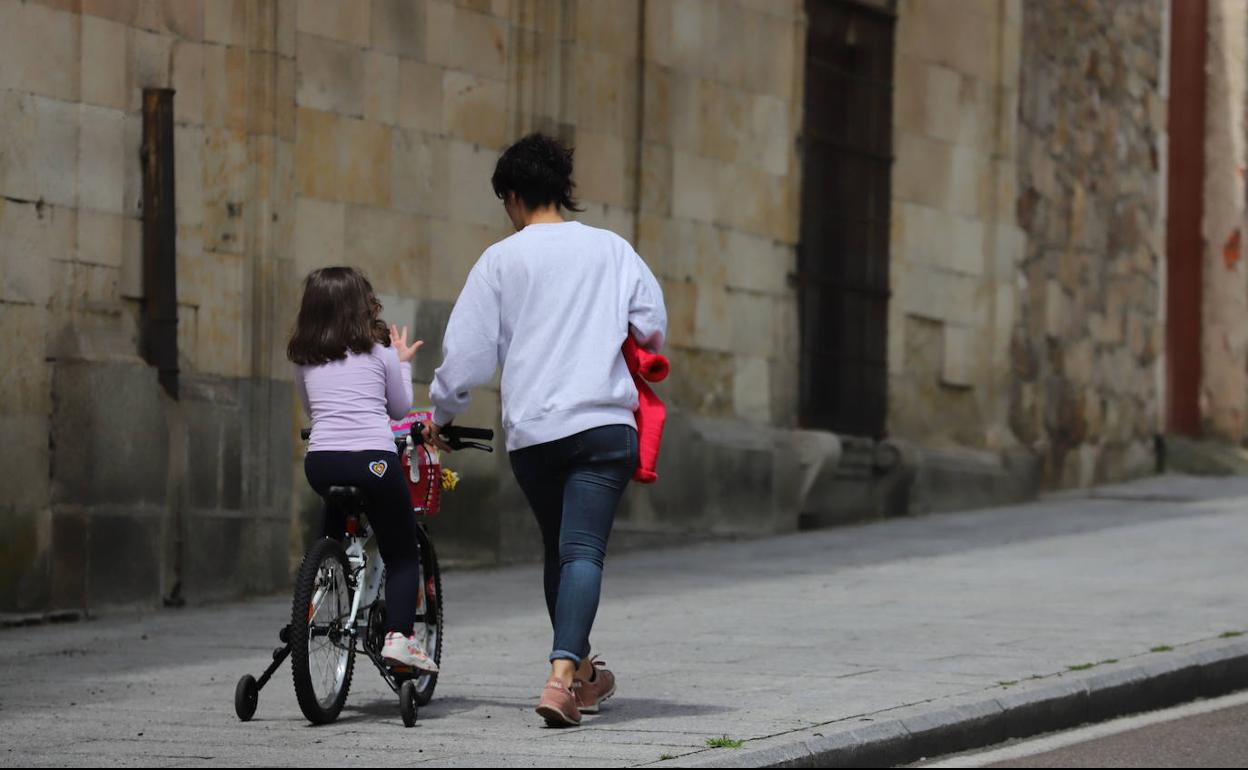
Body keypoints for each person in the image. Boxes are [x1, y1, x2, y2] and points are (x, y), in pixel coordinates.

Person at [422, 133, 668, 727]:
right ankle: (568, 676)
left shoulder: (501, 261)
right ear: (562, 189)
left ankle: (576, 676)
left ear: (511, 196)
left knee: (561, 548)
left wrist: (439, 416)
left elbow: (467, 359)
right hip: (604, 425)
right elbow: (652, 326)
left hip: (535, 434)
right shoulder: (612, 250)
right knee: (581, 549)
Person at [288, 266, 438, 673]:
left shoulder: (304, 360)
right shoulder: (380, 353)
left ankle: (315, 592)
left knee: (332, 523)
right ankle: (398, 638)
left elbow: (311, 410)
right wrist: (403, 362)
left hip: (321, 462)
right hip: (372, 461)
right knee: (402, 550)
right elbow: (400, 409)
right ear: (361, 307)